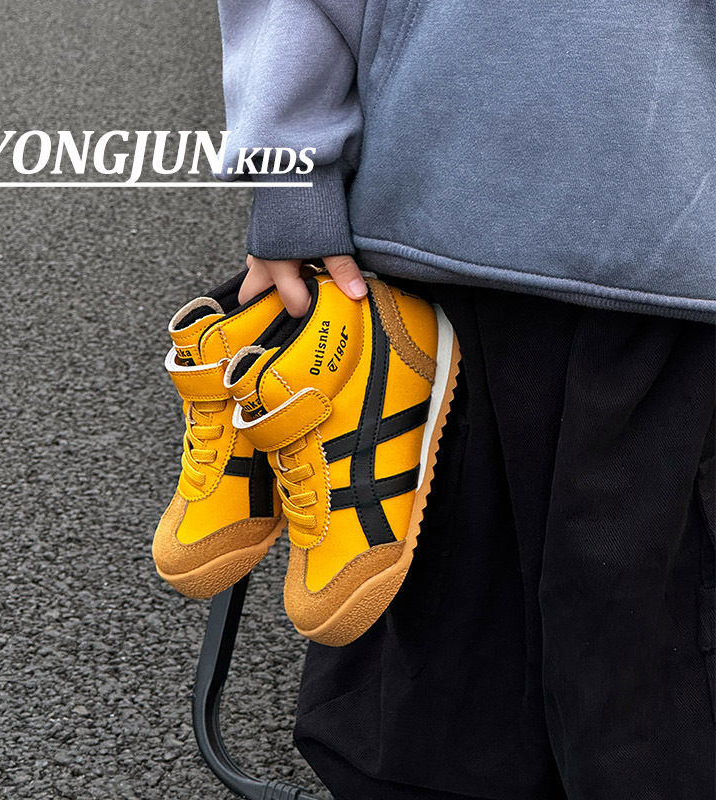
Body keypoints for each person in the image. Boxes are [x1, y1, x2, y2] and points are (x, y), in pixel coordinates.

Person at [214, 2, 716, 798]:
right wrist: (290, 170)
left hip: (681, 263)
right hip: (439, 249)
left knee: (650, 685)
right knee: (446, 690)